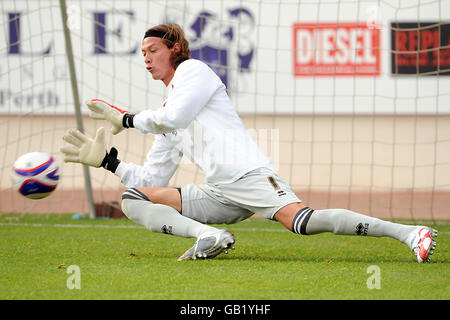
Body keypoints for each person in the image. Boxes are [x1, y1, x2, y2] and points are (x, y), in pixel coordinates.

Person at [61, 23, 437, 262]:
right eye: (142, 53)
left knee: (302, 222)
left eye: (152, 49)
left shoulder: (194, 72)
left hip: (248, 174)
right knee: (135, 198)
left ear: (175, 48)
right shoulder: (164, 111)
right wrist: (110, 164)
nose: (146, 58)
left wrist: (126, 119)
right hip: (221, 191)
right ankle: (209, 235)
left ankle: (409, 233)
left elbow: (174, 117)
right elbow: (151, 176)